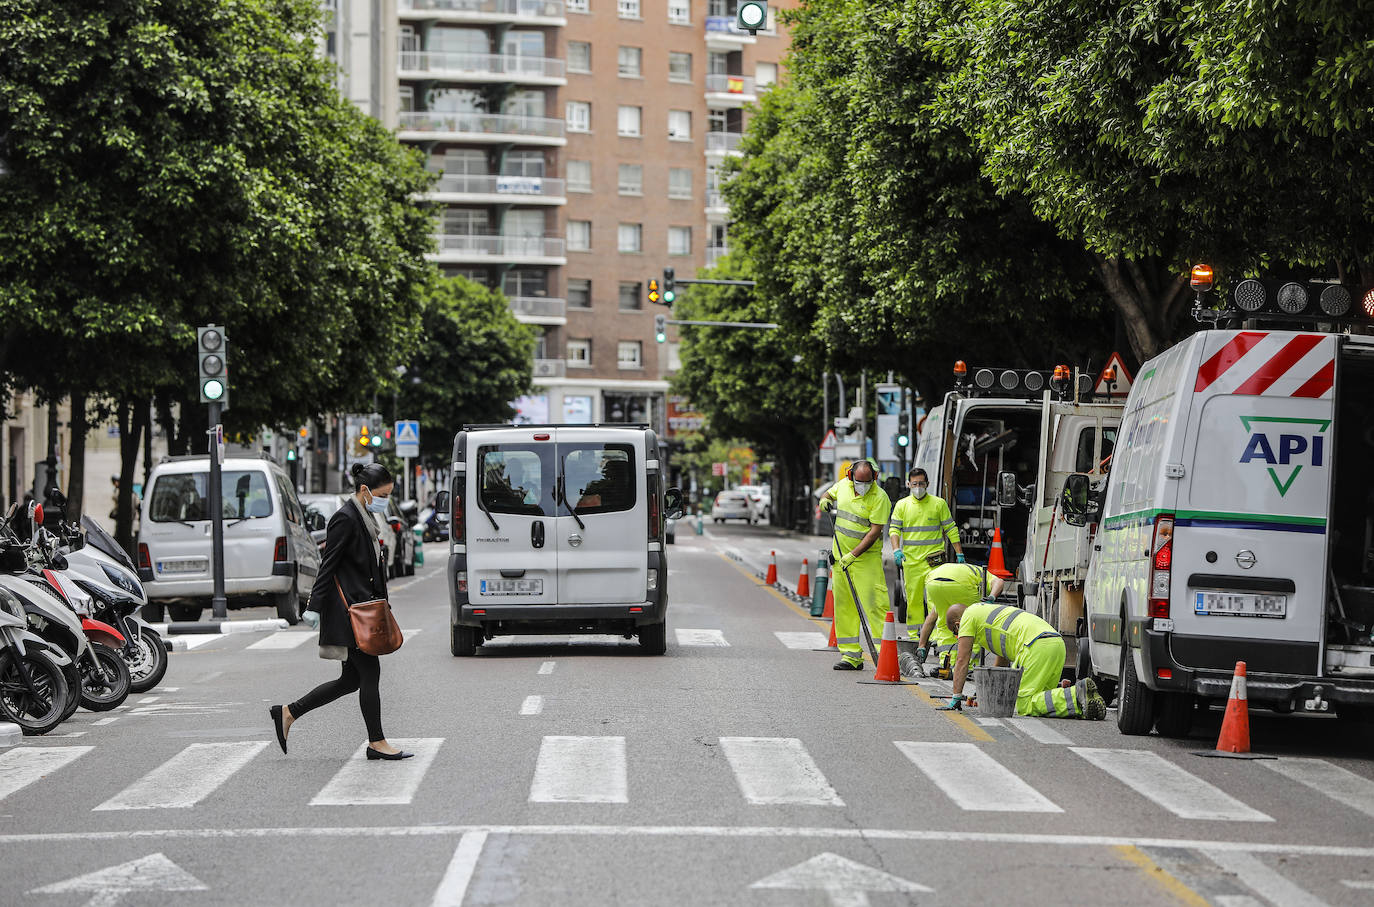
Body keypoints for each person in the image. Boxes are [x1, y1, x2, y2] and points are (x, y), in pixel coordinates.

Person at [269, 462, 413, 760]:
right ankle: (377, 742)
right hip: (351, 612)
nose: (385, 500)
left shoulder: (364, 518)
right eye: (383, 494)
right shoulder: (345, 519)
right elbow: (328, 564)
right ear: (365, 491)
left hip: (362, 608)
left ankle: (288, 713)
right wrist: (314, 607)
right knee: (370, 673)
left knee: (352, 680)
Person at [943, 601, 1107, 719]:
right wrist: (986, 692)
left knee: (1024, 704)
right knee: (1042, 700)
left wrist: (956, 696)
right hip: (1056, 643)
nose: (959, 637)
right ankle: (1083, 703)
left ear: (958, 625)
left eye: (957, 634)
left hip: (1035, 646)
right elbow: (1003, 658)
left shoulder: (967, 618)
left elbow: (962, 660)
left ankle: (1073, 693)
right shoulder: (986, 612)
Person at [818, 458, 892, 670]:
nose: (863, 486)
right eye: (859, 481)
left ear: (874, 478)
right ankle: (851, 656)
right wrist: (824, 499)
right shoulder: (843, 485)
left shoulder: (880, 498)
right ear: (851, 477)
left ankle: (884, 656)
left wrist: (853, 554)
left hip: (865, 561)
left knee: (875, 605)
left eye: (867, 482)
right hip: (840, 560)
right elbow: (828, 494)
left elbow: (874, 532)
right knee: (844, 607)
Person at [889, 468, 963, 642]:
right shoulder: (902, 505)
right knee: (913, 600)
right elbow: (894, 529)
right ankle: (914, 636)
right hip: (911, 561)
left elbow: (950, 529)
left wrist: (959, 553)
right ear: (908, 484)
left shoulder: (938, 504)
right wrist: (896, 550)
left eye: (921, 483)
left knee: (935, 599)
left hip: (934, 562)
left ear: (927, 484)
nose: (918, 487)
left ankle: (937, 635)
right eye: (914, 484)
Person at [913, 561, 998, 675]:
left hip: (933, 581)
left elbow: (931, 618)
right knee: (972, 624)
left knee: (943, 622)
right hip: (963, 584)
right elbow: (999, 581)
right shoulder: (983, 575)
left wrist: (922, 645)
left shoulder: (971, 571)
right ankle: (967, 667)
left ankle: (946, 666)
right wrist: (992, 597)